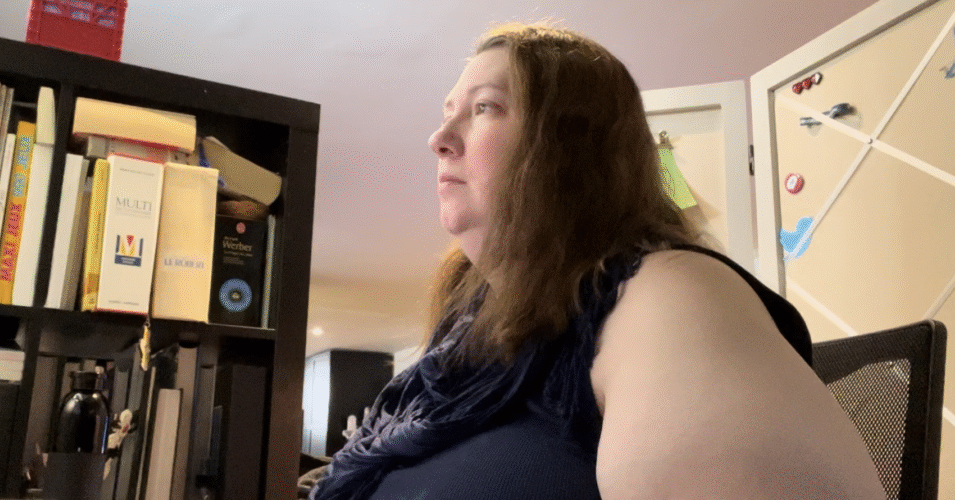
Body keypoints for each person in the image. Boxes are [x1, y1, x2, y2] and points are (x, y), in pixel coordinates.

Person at [305, 23, 887, 500]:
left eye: (484, 108)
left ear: (571, 149)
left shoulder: (666, 296)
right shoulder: (465, 333)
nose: (439, 136)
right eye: (449, 109)